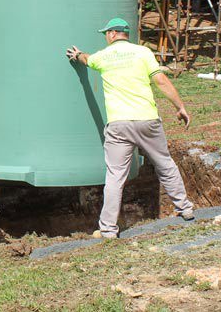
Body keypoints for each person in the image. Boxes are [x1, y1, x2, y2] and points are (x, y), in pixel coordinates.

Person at [65, 17, 195, 239]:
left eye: (107, 33)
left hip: (119, 125)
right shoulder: (143, 53)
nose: (106, 36)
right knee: (165, 164)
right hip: (147, 121)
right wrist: (180, 106)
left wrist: (77, 55)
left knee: (115, 176)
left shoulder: (104, 57)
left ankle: (107, 229)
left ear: (113, 34)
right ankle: (185, 209)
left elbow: (87, 60)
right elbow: (161, 80)